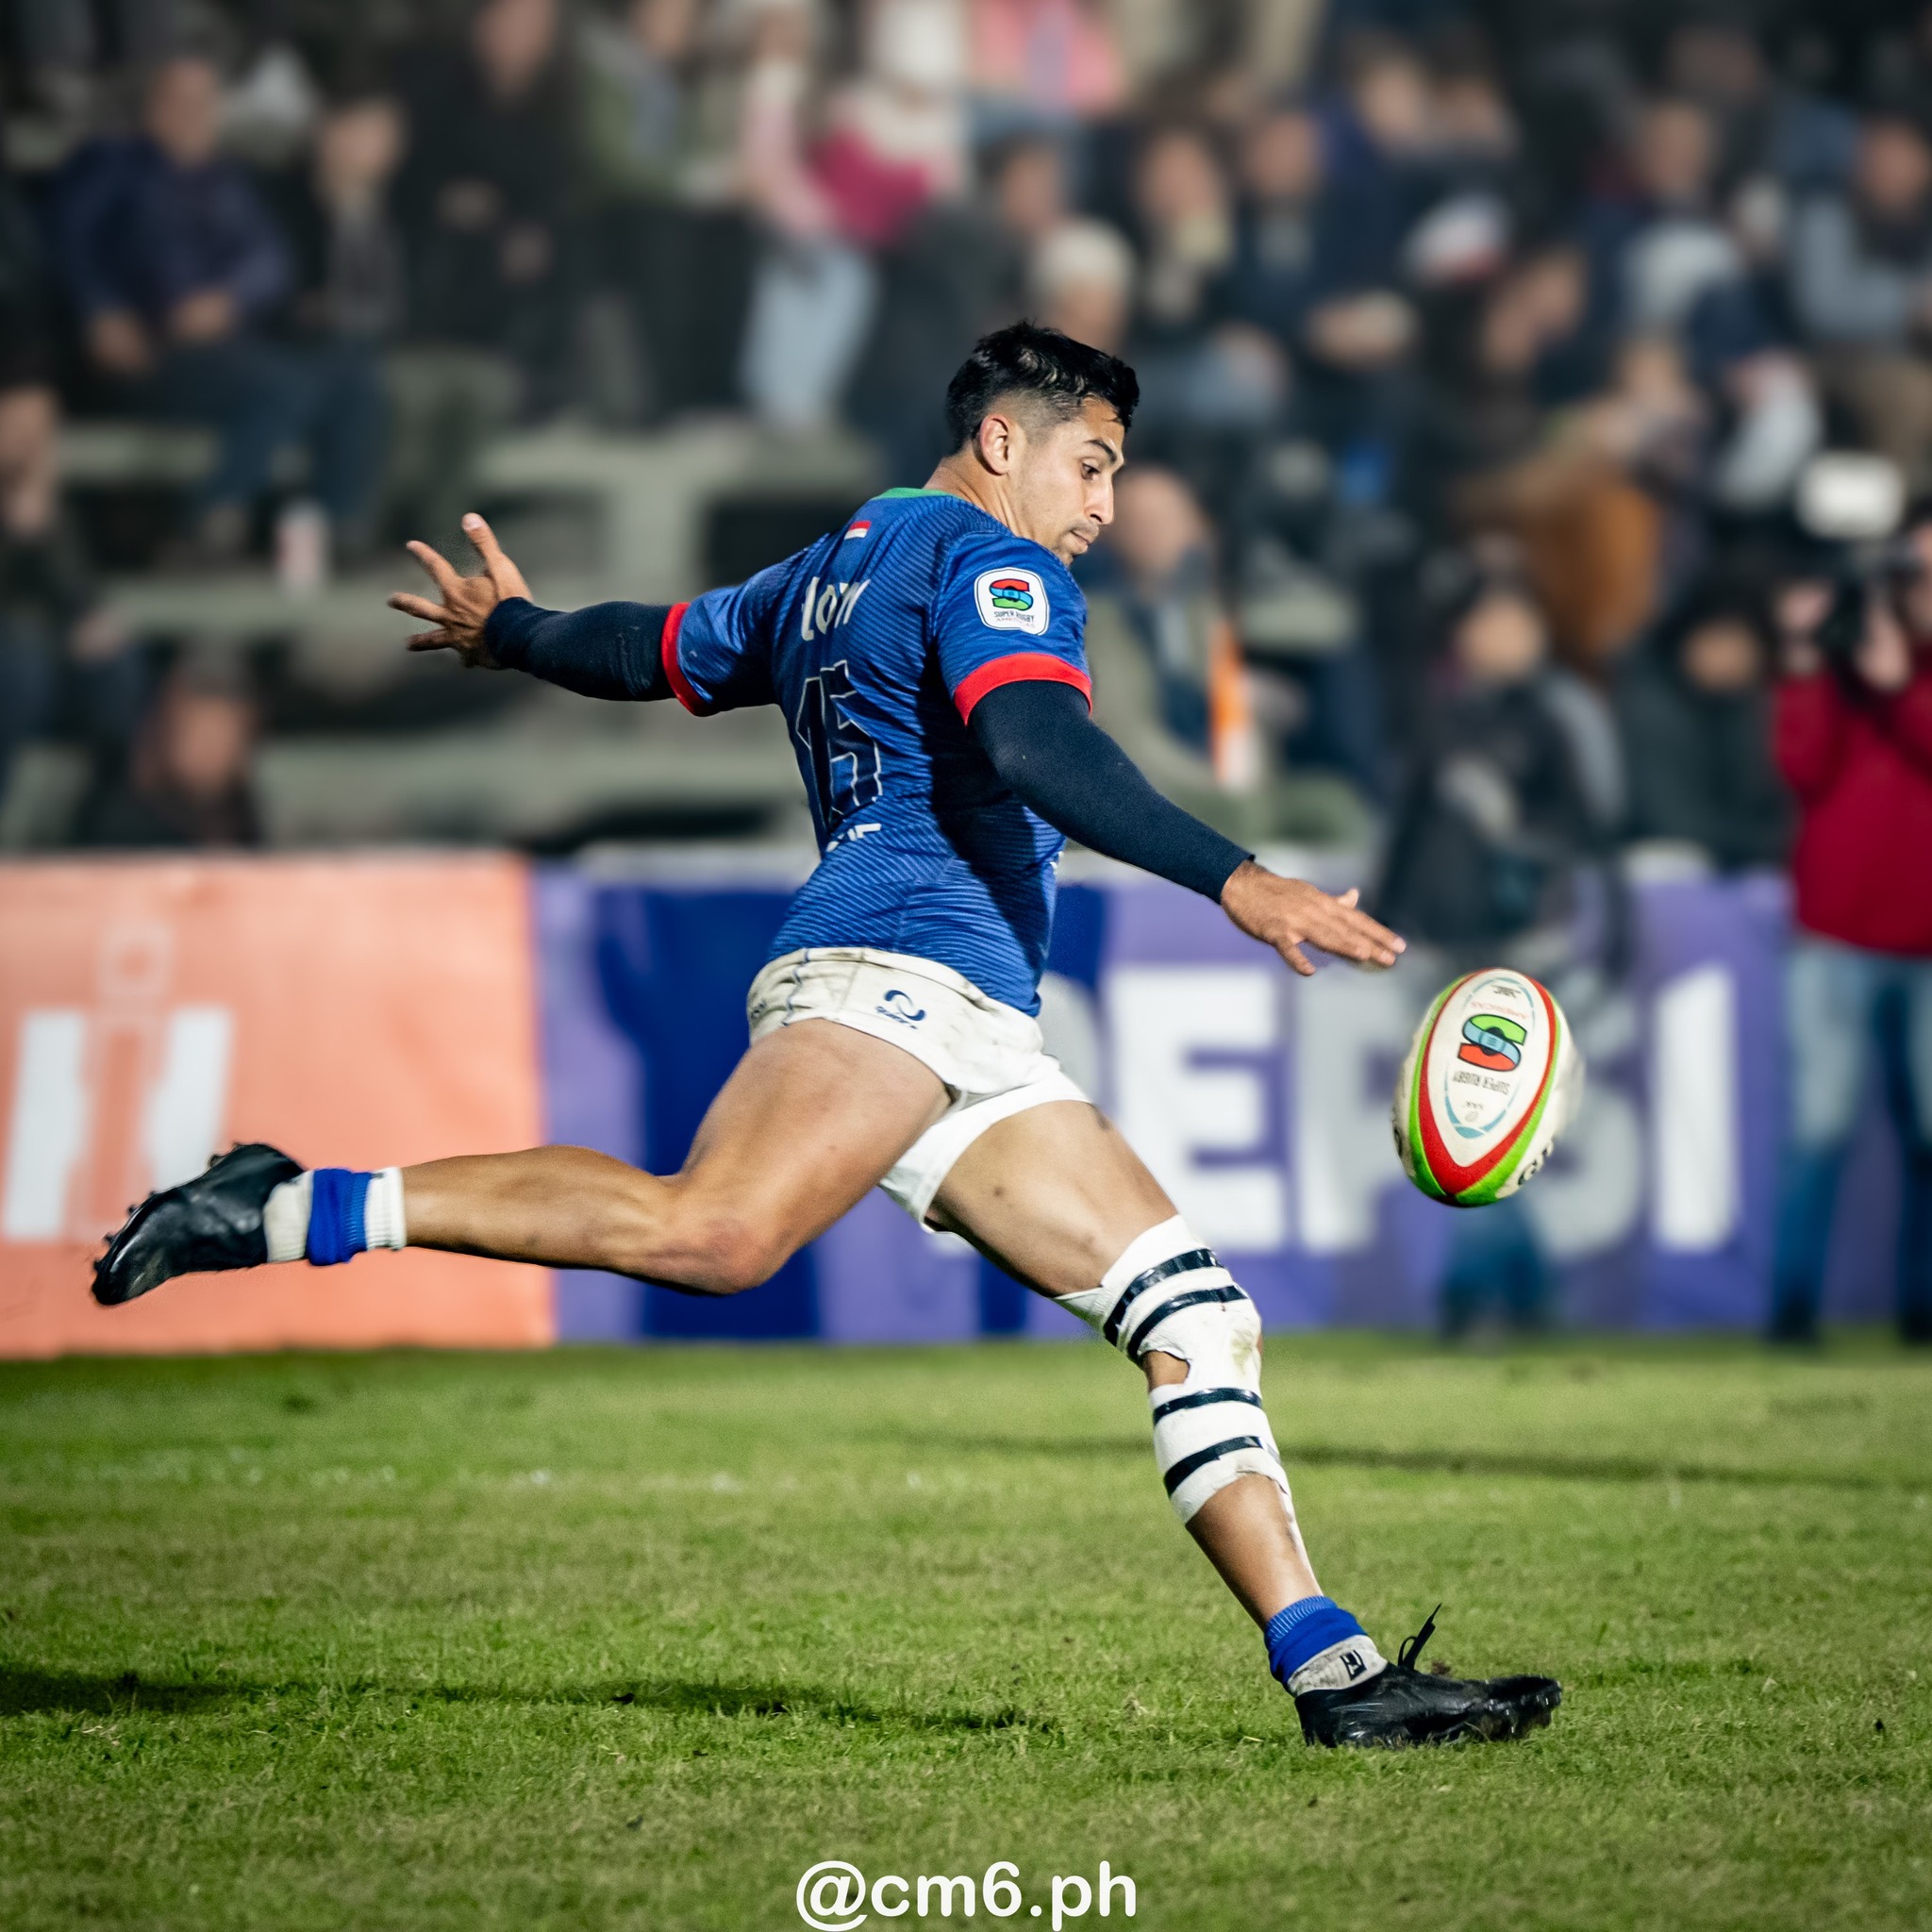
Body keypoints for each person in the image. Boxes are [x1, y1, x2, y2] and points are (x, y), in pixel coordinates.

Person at [92, 322, 1559, 1752]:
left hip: (964, 1018)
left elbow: (658, 649)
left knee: (1196, 1319)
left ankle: (1337, 1674)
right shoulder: (988, 563)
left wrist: (520, 631)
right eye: (1092, 466)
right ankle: (284, 1202)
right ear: (1002, 443)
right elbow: (1036, 748)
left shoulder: (830, 565)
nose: (1103, 509)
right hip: (897, 972)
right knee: (714, 1234)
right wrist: (1238, 875)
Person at [54, 52, 387, 561]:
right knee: (282, 386)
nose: (192, 114)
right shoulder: (111, 170)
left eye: (203, 102)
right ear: (151, 107)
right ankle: (207, 521)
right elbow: (66, 245)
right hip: (150, 350)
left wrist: (227, 300)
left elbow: (271, 260)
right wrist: (101, 310)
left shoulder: (230, 181)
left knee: (352, 373)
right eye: (178, 101)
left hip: (230, 352)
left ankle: (343, 531)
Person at [1768, 533, 1932, 1345]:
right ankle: (1791, 1310)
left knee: (1931, 1135)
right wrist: (1809, 659)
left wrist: (1900, 687)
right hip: (1834, 932)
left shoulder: (1903, 676)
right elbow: (1799, 765)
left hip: (1927, 941)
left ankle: (1922, 1311)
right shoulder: (1836, 666)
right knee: (1820, 1128)